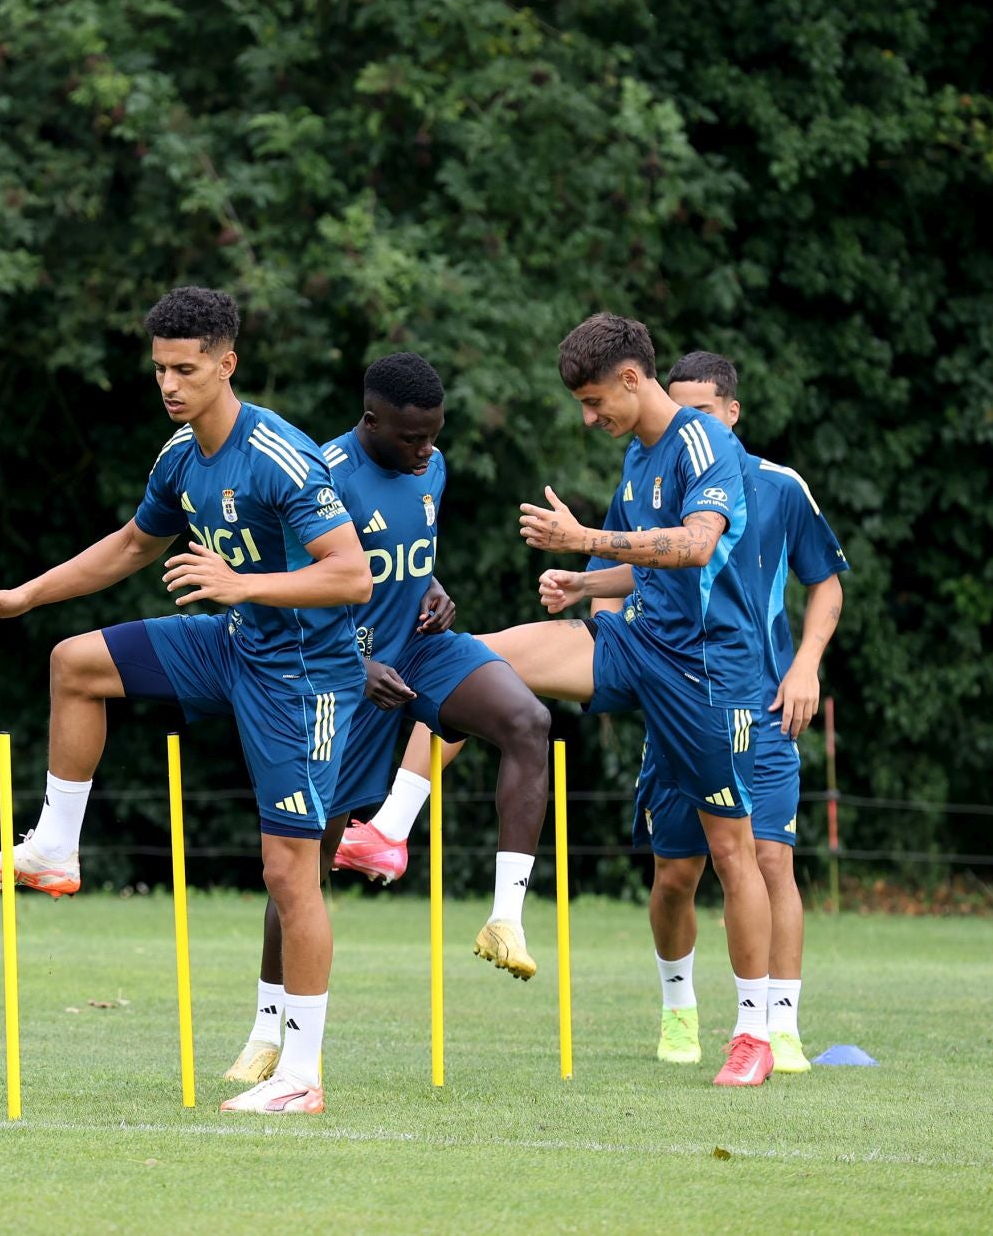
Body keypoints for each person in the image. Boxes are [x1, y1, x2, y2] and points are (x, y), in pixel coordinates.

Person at [0, 287, 372, 1115]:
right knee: (75, 663)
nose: (171, 384)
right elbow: (133, 545)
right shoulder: (180, 456)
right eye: (160, 370)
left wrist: (240, 582)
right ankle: (55, 850)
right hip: (239, 643)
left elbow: (351, 576)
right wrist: (24, 596)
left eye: (186, 368)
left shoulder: (279, 455)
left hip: (305, 676)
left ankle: (302, 1074)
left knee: (289, 872)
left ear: (227, 363)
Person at [369, 313, 781, 1086]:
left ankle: (754, 1031)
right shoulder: (638, 453)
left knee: (732, 848)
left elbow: (693, 546)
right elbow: (646, 564)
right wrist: (585, 582)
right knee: (474, 658)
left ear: (632, 378)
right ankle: (394, 825)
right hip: (636, 641)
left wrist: (585, 539)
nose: (590, 418)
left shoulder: (704, 444)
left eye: (595, 402)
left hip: (707, 672)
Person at [223, 352, 554, 1084]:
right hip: (337, 680)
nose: (427, 450)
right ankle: (267, 1027)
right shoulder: (321, 473)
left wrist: (433, 586)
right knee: (300, 867)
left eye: (435, 435)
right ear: (371, 421)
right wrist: (350, 660)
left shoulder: (428, 467)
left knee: (529, 723)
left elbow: (398, 553)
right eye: (412, 437)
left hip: (421, 652)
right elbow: (277, 585)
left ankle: (506, 918)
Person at [568, 351, 847, 1073]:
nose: (687, 421)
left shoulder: (780, 488)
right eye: (679, 407)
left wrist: (807, 663)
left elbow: (826, 583)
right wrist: (603, 629)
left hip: (760, 700)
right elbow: (620, 567)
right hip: (681, 702)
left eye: (702, 409)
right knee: (675, 876)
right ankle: (679, 1011)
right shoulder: (651, 468)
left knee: (769, 857)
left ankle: (776, 1025)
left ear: (731, 414)